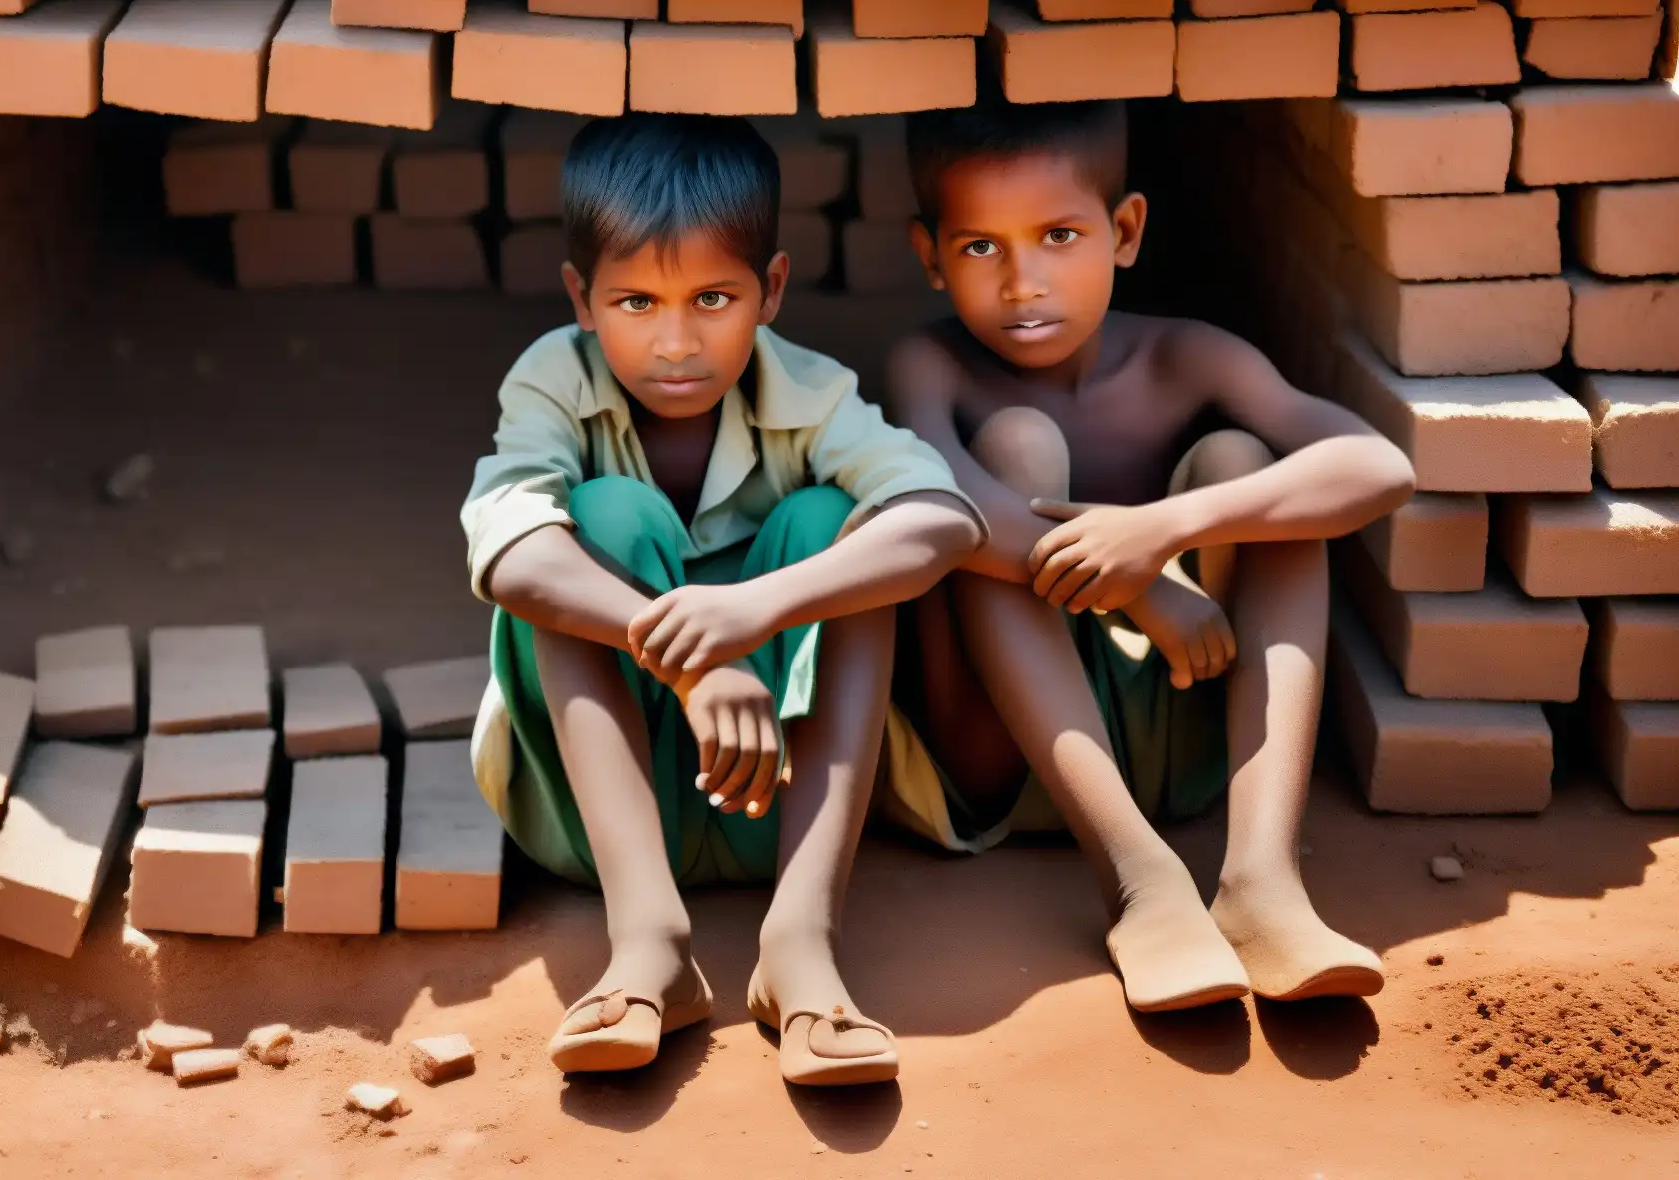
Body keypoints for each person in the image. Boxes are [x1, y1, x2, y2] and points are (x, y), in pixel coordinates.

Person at [463, 113, 982, 1086]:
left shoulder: (814, 393)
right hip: (607, 813)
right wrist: (696, 663)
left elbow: (941, 517)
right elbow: (506, 553)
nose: (673, 342)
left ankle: (800, 942)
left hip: (778, 797)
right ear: (580, 296)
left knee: (840, 523)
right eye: (633, 301)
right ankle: (649, 941)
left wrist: (755, 613)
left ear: (770, 290)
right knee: (594, 522)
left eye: (711, 298)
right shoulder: (552, 380)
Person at [882, 96, 1414, 1014]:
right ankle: (1141, 885)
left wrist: (1162, 531)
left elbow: (1379, 465)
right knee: (1009, 453)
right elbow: (944, 513)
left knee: (1249, 470)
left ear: (1124, 230)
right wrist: (1140, 593)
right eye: (980, 248)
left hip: (1176, 733)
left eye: (1057, 235)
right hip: (999, 760)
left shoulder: (1186, 358)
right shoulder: (930, 367)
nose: (1022, 282)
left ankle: (1260, 879)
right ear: (930, 254)